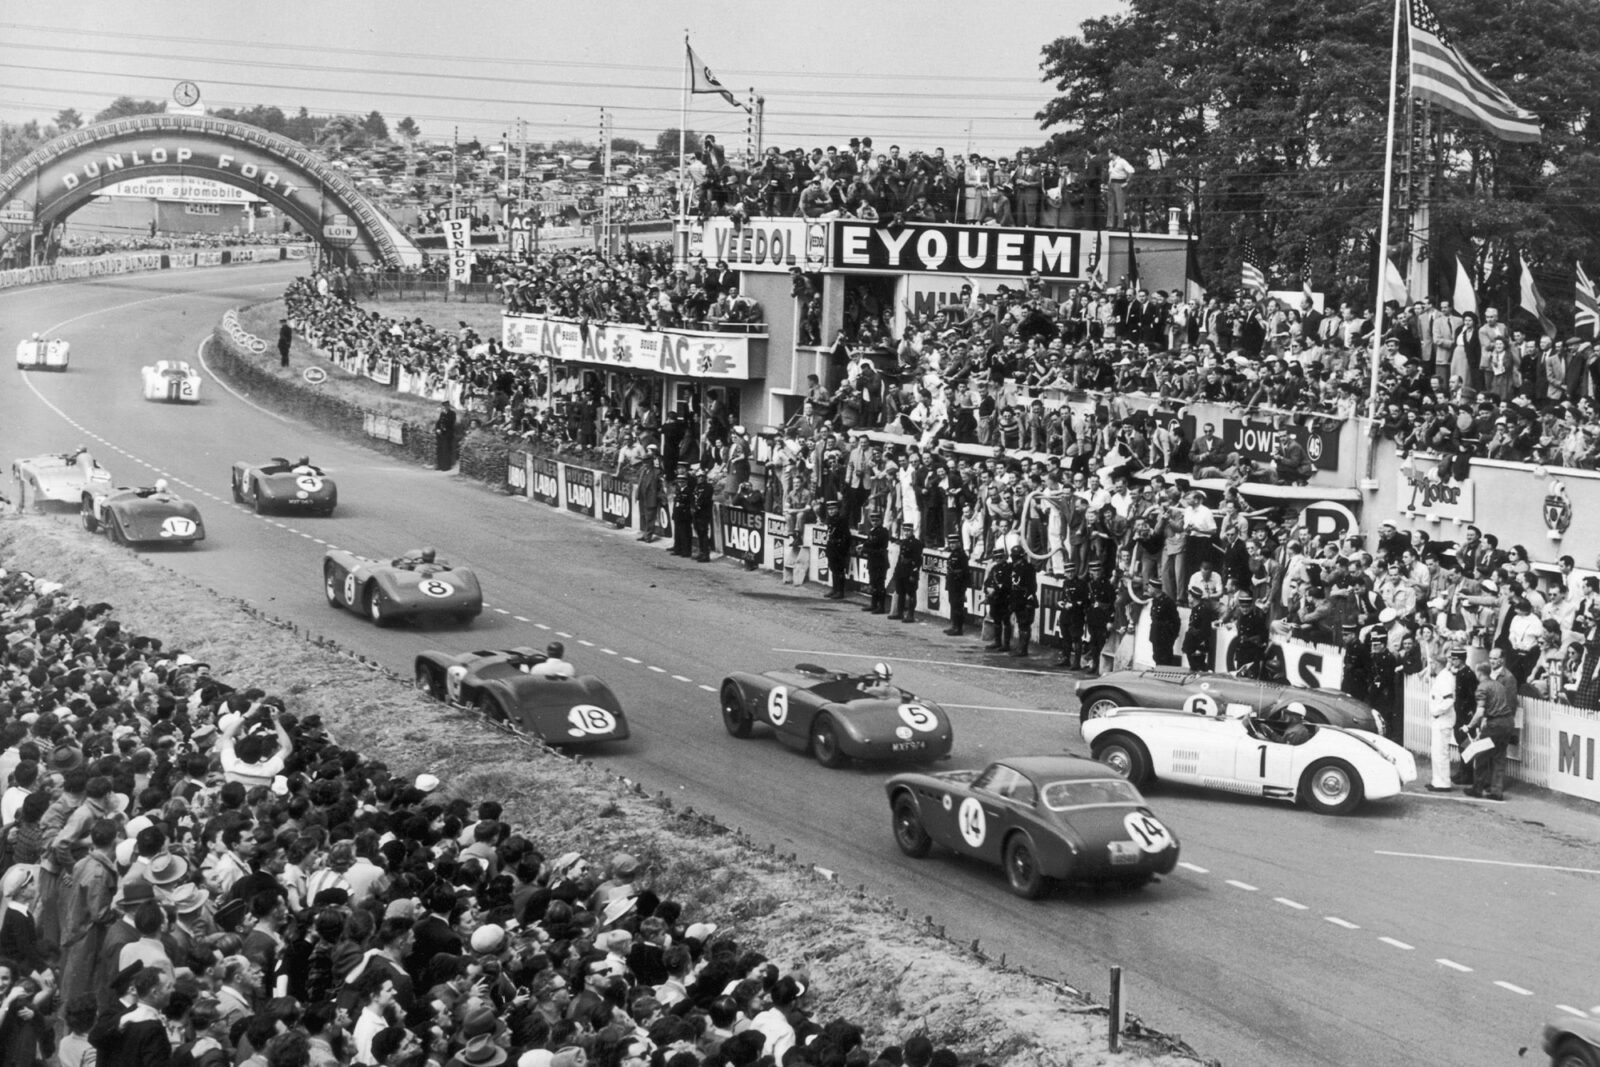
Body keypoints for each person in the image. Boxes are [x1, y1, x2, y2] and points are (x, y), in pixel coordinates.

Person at [1464, 661, 1515, 800]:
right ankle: (1496, 791)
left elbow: (1480, 711)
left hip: (1494, 724)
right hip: (1508, 722)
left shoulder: (1482, 687)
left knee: (1481, 755)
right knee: (1499, 757)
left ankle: (1477, 788)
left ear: (1479, 673)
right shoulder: (1499, 685)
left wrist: (1470, 726)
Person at [1427, 647, 1465, 791]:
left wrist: (1437, 711)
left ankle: (1443, 783)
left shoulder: (1445, 678)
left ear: (1436, 664)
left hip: (1443, 719)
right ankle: (1437, 781)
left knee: (1441, 752)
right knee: (1436, 752)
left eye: (1431, 663)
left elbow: (1449, 700)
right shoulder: (1441, 677)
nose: (1430, 666)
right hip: (1439, 720)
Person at [889, 522, 924, 624]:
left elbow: (918, 560)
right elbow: (900, 558)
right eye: (905, 530)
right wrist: (896, 571)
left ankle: (910, 615)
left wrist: (913, 573)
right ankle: (900, 613)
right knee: (901, 592)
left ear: (912, 531)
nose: (906, 533)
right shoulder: (903, 542)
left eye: (908, 531)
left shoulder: (917, 543)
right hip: (902, 571)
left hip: (910, 571)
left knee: (911, 593)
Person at [1006, 545, 1038, 657]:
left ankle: (1023, 649)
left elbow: (1032, 586)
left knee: (1024, 624)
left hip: (1025, 599)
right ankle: (1018, 647)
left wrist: (1026, 596)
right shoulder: (1013, 567)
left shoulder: (1028, 568)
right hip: (1016, 598)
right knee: (1019, 623)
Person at [862, 514, 891, 615]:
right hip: (873, 560)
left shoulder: (883, 532)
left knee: (879, 584)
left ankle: (881, 606)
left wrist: (866, 549)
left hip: (880, 561)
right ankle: (874, 604)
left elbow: (877, 546)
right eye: (873, 521)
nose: (874, 522)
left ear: (881, 521)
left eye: (876, 521)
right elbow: (868, 543)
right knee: (873, 583)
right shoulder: (872, 531)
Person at [823, 501, 852, 600]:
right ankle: (834, 589)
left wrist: (843, 548)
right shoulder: (830, 520)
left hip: (839, 547)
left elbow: (847, 536)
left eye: (833, 509)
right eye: (829, 510)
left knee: (839, 570)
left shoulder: (841, 520)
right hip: (832, 546)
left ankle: (840, 591)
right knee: (833, 568)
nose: (831, 511)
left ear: (837, 509)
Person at [943, 534, 971, 636]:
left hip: (958, 584)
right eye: (950, 543)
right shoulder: (953, 554)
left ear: (959, 543)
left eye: (954, 543)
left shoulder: (962, 555)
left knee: (958, 606)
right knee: (953, 604)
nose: (952, 545)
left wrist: (962, 585)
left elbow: (965, 572)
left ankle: (958, 628)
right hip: (952, 583)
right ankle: (954, 625)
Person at [984, 553, 1013, 652]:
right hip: (995, 598)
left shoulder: (1009, 568)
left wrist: (995, 589)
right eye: (996, 557)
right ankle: (997, 642)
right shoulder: (994, 568)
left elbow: (1007, 584)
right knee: (996, 620)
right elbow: (988, 581)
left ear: (1005, 557)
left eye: (1000, 557)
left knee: (1006, 620)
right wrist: (987, 590)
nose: (998, 559)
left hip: (1004, 598)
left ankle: (1006, 644)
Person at [635, 448, 664, 544]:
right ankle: (644, 534)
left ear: (651, 462)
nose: (645, 464)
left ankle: (648, 536)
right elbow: (639, 482)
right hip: (642, 496)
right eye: (644, 462)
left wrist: (658, 496)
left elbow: (660, 486)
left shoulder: (657, 472)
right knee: (643, 516)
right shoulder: (643, 470)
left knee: (650, 518)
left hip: (651, 497)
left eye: (647, 461)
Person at [691, 466, 715, 563]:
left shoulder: (708, 487)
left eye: (702, 477)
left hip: (704, 513)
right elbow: (693, 498)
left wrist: (697, 507)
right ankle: (701, 552)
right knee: (698, 532)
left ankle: (706, 554)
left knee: (703, 533)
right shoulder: (696, 487)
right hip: (696, 513)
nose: (700, 478)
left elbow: (705, 500)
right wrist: (693, 507)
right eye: (699, 477)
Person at [670, 468, 695, 558]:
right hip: (678, 514)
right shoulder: (679, 491)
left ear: (685, 482)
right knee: (677, 533)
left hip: (684, 515)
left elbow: (690, 504)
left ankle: (686, 551)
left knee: (685, 534)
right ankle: (677, 549)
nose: (680, 483)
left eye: (682, 482)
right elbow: (675, 504)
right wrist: (674, 514)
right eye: (679, 482)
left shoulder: (688, 491)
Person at [434, 403, 457, 471]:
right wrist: (437, 429)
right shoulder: (442, 413)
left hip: (448, 434)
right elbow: (439, 422)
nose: (445, 407)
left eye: (446, 406)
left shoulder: (452, 413)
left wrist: (442, 428)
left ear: (449, 406)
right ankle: (440, 465)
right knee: (440, 449)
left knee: (446, 450)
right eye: (444, 406)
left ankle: (446, 466)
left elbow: (451, 423)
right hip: (441, 434)